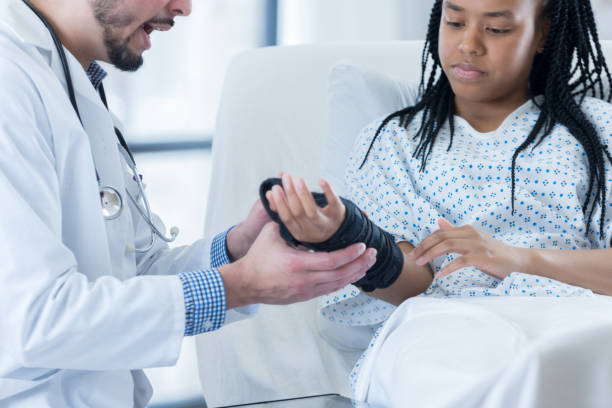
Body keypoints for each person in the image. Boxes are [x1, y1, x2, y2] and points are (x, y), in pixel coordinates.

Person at [0, 0, 378, 406]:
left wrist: (237, 250)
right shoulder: (10, 81)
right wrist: (243, 284)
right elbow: (35, 320)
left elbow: (127, 275)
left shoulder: (72, 84)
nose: (183, 7)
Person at [267, 0, 612, 325]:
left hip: (571, 327)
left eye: (496, 29)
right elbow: (413, 285)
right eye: (455, 22)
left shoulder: (598, 132)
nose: (468, 44)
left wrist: (514, 259)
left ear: (542, 34)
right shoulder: (393, 142)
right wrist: (346, 237)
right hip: (445, 333)